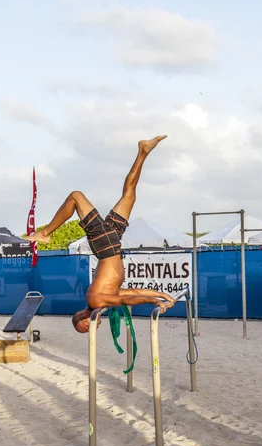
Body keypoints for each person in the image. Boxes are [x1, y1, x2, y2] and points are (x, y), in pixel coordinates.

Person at [28, 136, 176, 332]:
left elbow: (127, 299)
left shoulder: (95, 300)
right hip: (113, 243)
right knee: (129, 193)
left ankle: (45, 233)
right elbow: (133, 292)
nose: (95, 326)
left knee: (76, 196)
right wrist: (161, 295)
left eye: (88, 326)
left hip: (105, 246)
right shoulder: (105, 298)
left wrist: (152, 301)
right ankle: (143, 151)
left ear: (82, 315)